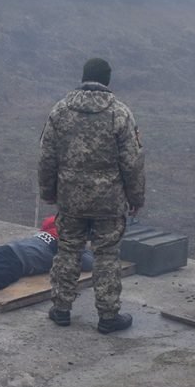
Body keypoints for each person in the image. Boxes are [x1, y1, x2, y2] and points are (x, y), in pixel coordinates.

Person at [38, 57, 145, 334]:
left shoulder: (60, 111)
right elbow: (132, 162)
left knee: (68, 250)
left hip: (70, 199)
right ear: (107, 80)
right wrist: (136, 198)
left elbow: (47, 156)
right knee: (107, 254)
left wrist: (49, 191)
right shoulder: (120, 113)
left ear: (83, 76)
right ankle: (108, 316)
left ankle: (61, 309)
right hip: (108, 202)